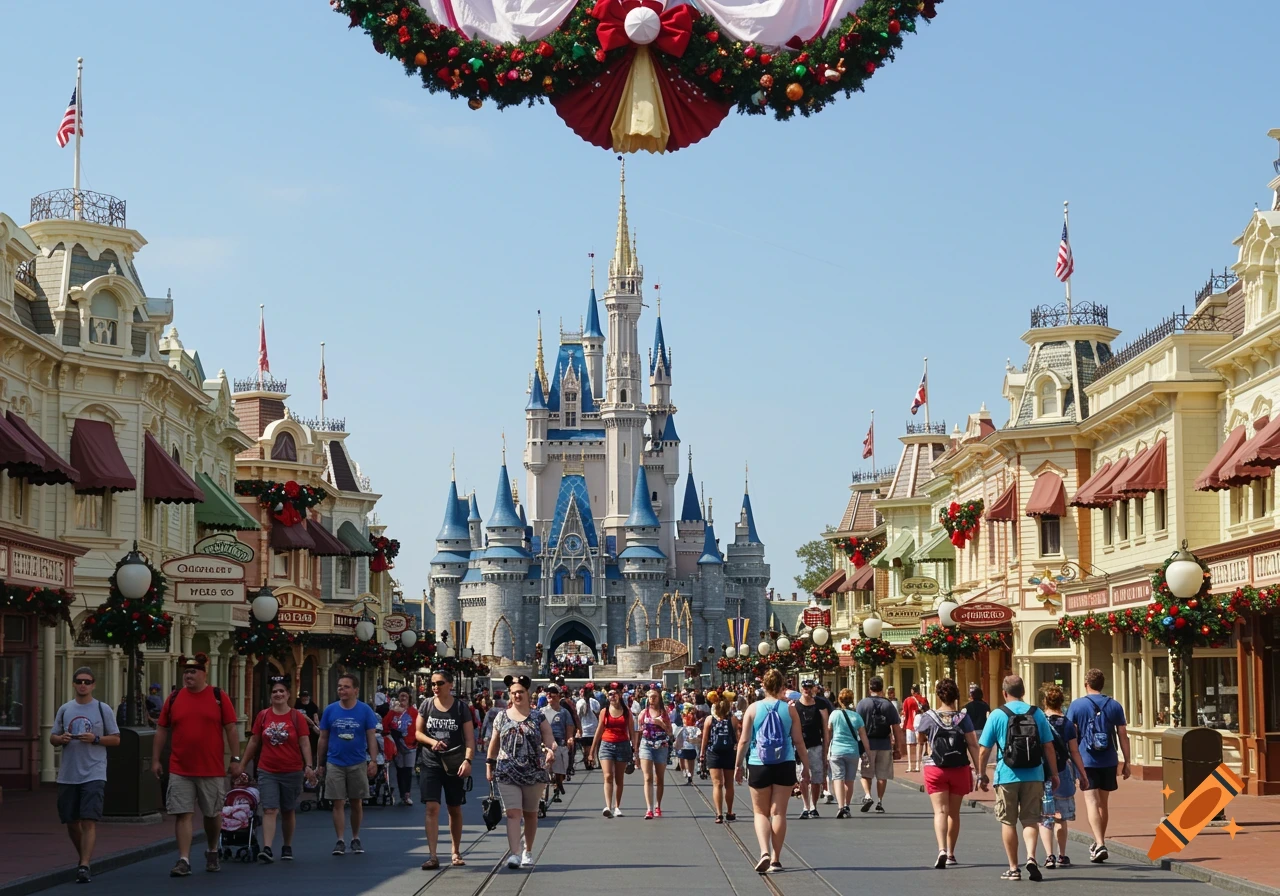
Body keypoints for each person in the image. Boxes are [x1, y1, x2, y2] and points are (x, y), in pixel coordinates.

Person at [152, 654, 240, 877]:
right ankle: (184, 859)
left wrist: (236, 759)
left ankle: (212, 849)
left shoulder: (218, 696)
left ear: (203, 674)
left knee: (212, 814)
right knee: (183, 813)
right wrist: (155, 759)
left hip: (210, 768)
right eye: (186, 672)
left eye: (193, 672)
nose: (188, 676)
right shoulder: (174, 698)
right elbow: (162, 729)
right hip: (180, 767)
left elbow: (230, 728)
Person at [977, 675, 1060, 882]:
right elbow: (1048, 746)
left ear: (1004, 693)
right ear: (1023, 692)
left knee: (1008, 821)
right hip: (1034, 773)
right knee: (1031, 820)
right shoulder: (1037, 713)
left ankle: (1014, 868)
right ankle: (1031, 857)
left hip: (1007, 775)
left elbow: (983, 749)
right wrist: (1054, 773)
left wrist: (981, 774)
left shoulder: (997, 714)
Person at [50, 666, 120, 883]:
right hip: (69, 773)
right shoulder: (65, 709)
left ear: (93, 685)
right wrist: (60, 739)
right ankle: (84, 857)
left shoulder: (102, 708)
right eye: (79, 681)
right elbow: (53, 736)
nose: (83, 685)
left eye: (87, 682)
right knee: (71, 821)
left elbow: (116, 738)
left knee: (89, 820)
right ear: (73, 683)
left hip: (94, 772)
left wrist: (96, 739)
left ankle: (84, 865)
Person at [736, 669, 809, 874]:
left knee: (760, 812)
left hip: (759, 763)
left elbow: (744, 740)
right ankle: (776, 860)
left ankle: (764, 852)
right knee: (779, 813)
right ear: (782, 686)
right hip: (784, 763)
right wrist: (806, 768)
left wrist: (737, 766)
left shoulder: (753, 708)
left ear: (764, 686)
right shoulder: (790, 710)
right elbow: (798, 741)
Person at [238, 676, 315, 862]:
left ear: (288, 695)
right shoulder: (263, 715)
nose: (278, 694)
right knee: (270, 809)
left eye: (282, 691)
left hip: (292, 769)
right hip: (268, 769)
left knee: (288, 810)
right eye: (274, 691)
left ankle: (287, 846)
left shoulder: (297, 717)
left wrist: (309, 766)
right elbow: (254, 741)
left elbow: (304, 742)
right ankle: (267, 848)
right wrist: (241, 765)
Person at [486, 675, 557, 869]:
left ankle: (528, 851)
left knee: (531, 814)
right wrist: (489, 765)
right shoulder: (501, 716)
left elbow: (549, 736)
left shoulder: (537, 716)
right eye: (514, 693)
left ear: (528, 694)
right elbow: (494, 743)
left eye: (521, 692)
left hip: (534, 771)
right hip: (507, 770)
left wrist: (551, 748)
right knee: (512, 814)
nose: (517, 695)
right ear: (510, 695)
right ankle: (515, 853)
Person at [1064, 668, 1130, 863]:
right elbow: (1123, 735)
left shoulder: (1077, 706)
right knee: (1103, 803)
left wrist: (1070, 758)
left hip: (1086, 760)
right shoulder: (1114, 705)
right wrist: (1127, 761)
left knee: (1091, 802)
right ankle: (1098, 840)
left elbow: (1070, 735)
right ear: (1102, 684)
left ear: (1087, 684)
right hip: (1109, 759)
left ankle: (1100, 843)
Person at [915, 678, 981, 869]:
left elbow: (920, 738)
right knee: (954, 813)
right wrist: (979, 770)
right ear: (956, 696)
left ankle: (941, 849)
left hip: (935, 767)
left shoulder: (929, 716)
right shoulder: (963, 718)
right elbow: (972, 744)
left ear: (938, 695)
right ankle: (951, 853)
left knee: (940, 811)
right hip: (959, 768)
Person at [416, 669, 475, 870]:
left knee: (454, 808)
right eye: (432, 683)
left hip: (454, 764)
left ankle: (456, 851)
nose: (435, 687)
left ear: (450, 685)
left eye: (440, 683)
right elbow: (418, 732)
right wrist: (432, 742)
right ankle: (432, 855)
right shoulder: (426, 705)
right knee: (431, 807)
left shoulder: (460, 708)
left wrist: (468, 761)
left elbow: (469, 739)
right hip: (431, 762)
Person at [316, 673, 380, 857]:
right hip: (335, 761)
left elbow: (371, 736)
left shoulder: (365, 710)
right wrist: (319, 763)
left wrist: (373, 760)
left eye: (345, 687)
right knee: (337, 802)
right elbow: (323, 738)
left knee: (356, 802)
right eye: (339, 687)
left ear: (355, 690)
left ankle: (355, 837)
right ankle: (340, 840)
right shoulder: (330, 710)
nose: (341, 690)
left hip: (357, 761)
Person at [1038, 683, 1090, 869]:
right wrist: (1083, 774)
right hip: (1064, 772)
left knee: (1046, 816)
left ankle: (1048, 855)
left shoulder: (1039, 720)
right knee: (1061, 818)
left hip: (1043, 773)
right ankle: (1062, 855)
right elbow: (1074, 752)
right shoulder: (1068, 725)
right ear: (1062, 702)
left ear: (1045, 701)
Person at [855, 675, 902, 813]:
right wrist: (898, 747)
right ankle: (880, 801)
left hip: (867, 743)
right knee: (882, 775)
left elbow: (858, 725)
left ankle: (868, 795)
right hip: (884, 744)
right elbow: (896, 728)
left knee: (866, 773)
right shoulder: (888, 704)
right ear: (882, 687)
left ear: (870, 687)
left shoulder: (862, 704)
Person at [587, 683, 634, 817]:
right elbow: (599, 730)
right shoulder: (604, 711)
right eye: (610, 694)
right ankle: (608, 806)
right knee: (608, 776)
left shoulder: (626, 712)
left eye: (614, 694)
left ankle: (617, 806)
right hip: (607, 744)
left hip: (622, 744)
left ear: (619, 695)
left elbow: (631, 731)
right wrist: (592, 750)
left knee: (619, 778)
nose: (611, 696)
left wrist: (634, 749)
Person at [826, 688, 870, 819]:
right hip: (852, 751)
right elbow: (864, 737)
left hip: (837, 751)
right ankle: (847, 806)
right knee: (849, 780)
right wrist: (868, 753)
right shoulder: (857, 717)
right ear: (851, 701)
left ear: (839, 700)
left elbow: (829, 733)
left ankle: (840, 806)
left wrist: (826, 750)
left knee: (838, 778)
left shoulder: (834, 715)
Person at [793, 679, 830, 818]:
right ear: (801, 688)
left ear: (814, 689)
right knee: (803, 777)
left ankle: (813, 806)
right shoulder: (796, 706)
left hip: (816, 745)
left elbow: (825, 729)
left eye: (809, 687)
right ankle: (805, 805)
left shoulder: (820, 705)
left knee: (816, 777)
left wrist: (826, 748)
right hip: (800, 746)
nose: (807, 690)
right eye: (804, 687)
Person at [700, 693, 739, 823]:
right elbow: (737, 738)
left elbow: (705, 739)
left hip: (713, 753)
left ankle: (718, 813)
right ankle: (730, 811)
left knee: (717, 784)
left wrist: (702, 754)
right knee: (729, 784)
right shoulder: (733, 720)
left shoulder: (709, 720)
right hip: (729, 753)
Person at [637, 689, 672, 818]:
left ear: (659, 699)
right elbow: (638, 732)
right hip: (646, 745)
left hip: (661, 746)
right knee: (647, 777)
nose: (652, 699)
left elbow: (670, 732)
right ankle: (649, 808)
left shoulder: (664, 713)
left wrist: (661, 724)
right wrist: (635, 751)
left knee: (659, 778)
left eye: (654, 697)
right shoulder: (643, 714)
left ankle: (658, 805)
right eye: (650, 697)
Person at [385, 688, 419, 806]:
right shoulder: (393, 712)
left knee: (408, 770)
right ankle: (402, 794)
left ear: (409, 697)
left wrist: (416, 739)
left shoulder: (414, 712)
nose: (403, 698)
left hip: (411, 745)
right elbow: (385, 725)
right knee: (400, 770)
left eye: (405, 696)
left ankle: (407, 795)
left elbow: (418, 727)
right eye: (401, 696)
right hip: (397, 745)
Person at [542, 686, 575, 801]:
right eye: (548, 694)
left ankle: (558, 782)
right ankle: (549, 785)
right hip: (545, 743)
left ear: (558, 696)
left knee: (561, 769)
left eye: (552, 694)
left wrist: (570, 738)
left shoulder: (564, 712)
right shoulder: (541, 712)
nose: (549, 696)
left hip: (560, 742)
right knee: (545, 767)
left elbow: (569, 726)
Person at [902, 684, 930, 773]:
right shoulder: (923, 699)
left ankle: (910, 766)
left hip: (910, 724)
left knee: (909, 745)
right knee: (920, 744)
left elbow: (905, 714)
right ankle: (918, 765)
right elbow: (927, 712)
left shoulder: (907, 700)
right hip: (920, 725)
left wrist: (903, 726)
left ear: (912, 691)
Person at [576, 685, 601, 770]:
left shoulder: (579, 702)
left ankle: (587, 762)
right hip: (594, 728)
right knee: (594, 747)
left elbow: (578, 715)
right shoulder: (594, 702)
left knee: (585, 749)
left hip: (584, 729)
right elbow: (598, 713)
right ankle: (593, 761)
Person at [674, 709, 701, 786]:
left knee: (686, 762)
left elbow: (678, 738)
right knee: (690, 762)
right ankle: (689, 775)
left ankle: (687, 774)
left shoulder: (686, 728)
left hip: (686, 748)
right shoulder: (693, 729)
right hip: (688, 748)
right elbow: (699, 736)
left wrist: (676, 745)